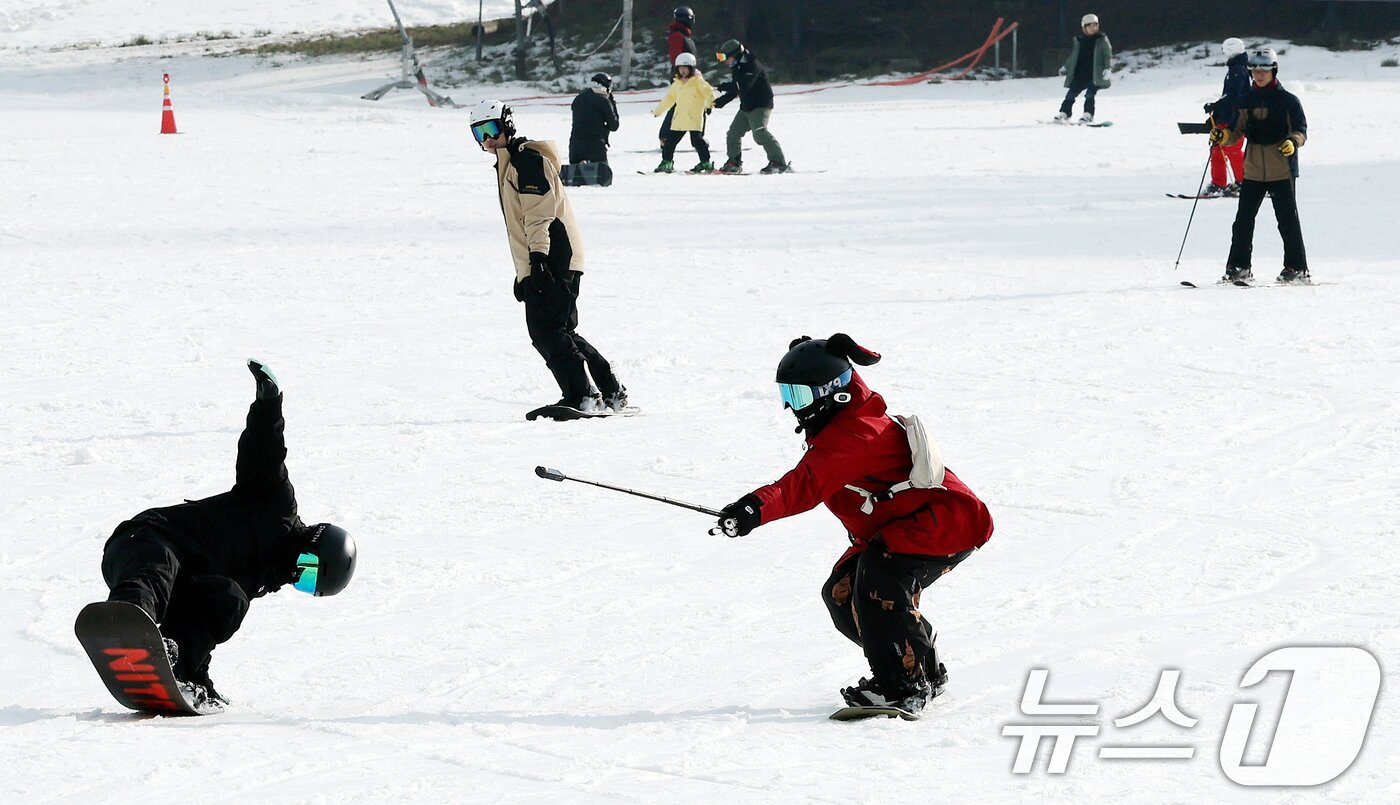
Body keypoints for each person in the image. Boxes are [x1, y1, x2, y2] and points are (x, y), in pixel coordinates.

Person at [716, 335, 994, 714]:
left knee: (880, 582)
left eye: (798, 397)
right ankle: (921, 665)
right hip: (899, 526)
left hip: (946, 522)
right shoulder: (842, 424)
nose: (789, 407)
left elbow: (804, 485)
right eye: (787, 395)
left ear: (834, 392)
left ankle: (902, 685)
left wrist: (754, 509)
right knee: (842, 595)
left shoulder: (858, 433)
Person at [100, 360, 358, 706]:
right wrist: (269, 406)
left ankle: (177, 667)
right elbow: (262, 455)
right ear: (313, 543)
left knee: (228, 599)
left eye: (307, 586)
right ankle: (128, 620)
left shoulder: (258, 578)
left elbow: (204, 624)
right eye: (309, 571)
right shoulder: (275, 508)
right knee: (158, 566)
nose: (298, 578)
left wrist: (201, 681)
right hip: (145, 540)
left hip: (180, 583)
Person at [470, 99, 628, 412]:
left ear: (508, 124)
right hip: (551, 255)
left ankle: (581, 396)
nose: (488, 138)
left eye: (492, 128)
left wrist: (539, 261)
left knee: (546, 330)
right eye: (479, 133)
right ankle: (611, 393)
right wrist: (524, 273)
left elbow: (538, 215)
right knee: (560, 330)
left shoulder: (526, 160)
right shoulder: (510, 162)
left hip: (555, 254)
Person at [1210, 47, 1310, 285]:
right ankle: (1239, 267)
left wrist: (1292, 142)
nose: (1259, 74)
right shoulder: (1245, 100)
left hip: (1281, 170)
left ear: (1273, 70)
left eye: (1264, 70)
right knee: (1243, 220)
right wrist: (1222, 136)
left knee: (1287, 220)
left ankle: (1297, 268)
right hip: (1253, 169)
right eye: (1255, 70)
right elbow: (1235, 132)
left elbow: (1300, 131)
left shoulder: (1288, 101)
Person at [714, 39, 789, 174]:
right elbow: (737, 88)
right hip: (747, 105)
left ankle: (778, 162)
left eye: (726, 58)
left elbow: (743, 86)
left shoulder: (751, 65)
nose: (724, 61)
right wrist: (722, 101)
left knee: (759, 133)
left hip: (761, 104)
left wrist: (724, 87)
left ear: (736, 55)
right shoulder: (737, 67)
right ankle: (734, 162)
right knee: (733, 134)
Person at [651, 52, 716, 173]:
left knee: (697, 141)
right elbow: (669, 99)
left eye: (685, 68)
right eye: (680, 68)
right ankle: (667, 162)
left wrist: (709, 105)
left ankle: (705, 162)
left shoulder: (698, 82)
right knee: (669, 142)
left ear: (691, 68)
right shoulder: (677, 83)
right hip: (679, 119)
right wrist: (658, 111)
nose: (683, 71)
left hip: (694, 118)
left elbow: (709, 92)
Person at [1203, 37, 1249, 197]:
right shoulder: (1236, 68)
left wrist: (1217, 106)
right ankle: (1219, 183)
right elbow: (1229, 97)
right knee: (1218, 149)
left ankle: (1243, 181)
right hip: (1227, 116)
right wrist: (1217, 111)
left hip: (1234, 118)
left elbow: (1233, 96)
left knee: (1231, 149)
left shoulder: (1238, 70)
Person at [1055, 14, 1112, 124]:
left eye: (1095, 25)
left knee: (1090, 95)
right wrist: (1066, 67)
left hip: (1095, 75)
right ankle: (1065, 112)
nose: (1092, 28)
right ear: (1084, 28)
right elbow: (1074, 56)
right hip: (1080, 74)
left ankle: (1088, 115)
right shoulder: (1079, 40)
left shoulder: (1101, 39)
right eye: (1089, 26)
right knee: (1071, 94)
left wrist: (1107, 68)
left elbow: (1107, 54)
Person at [659, 6, 698, 150]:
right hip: (682, 77)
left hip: (689, 76)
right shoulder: (677, 36)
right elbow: (676, 58)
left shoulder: (685, 36)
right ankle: (665, 136)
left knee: (691, 105)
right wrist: (682, 76)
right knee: (678, 106)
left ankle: (697, 138)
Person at [569, 72, 620, 166]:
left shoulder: (578, 98)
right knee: (600, 178)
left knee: (576, 178)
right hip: (595, 145)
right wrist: (612, 102)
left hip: (575, 145)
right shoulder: (603, 100)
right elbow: (614, 125)